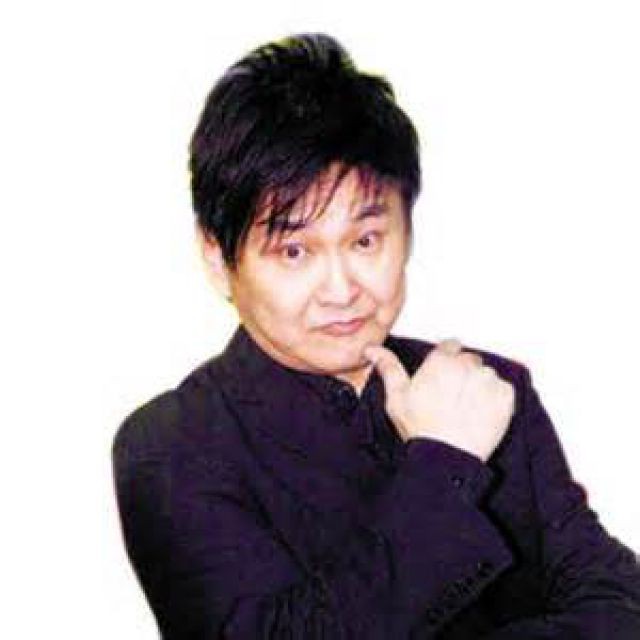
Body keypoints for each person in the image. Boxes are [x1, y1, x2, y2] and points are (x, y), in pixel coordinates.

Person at [112, 33, 640, 639]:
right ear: (217, 258)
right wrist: (444, 463)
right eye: (294, 251)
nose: (341, 289)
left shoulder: (485, 388)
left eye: (365, 241)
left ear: (406, 232)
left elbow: (619, 604)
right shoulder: (172, 448)